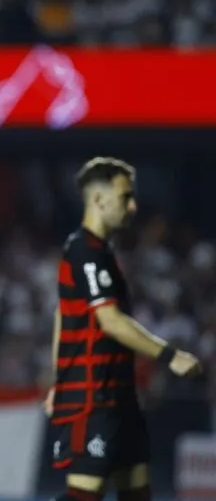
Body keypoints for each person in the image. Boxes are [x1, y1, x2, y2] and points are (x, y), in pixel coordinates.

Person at [45, 157, 203, 501]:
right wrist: (169, 355)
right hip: (93, 397)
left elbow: (63, 314)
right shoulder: (85, 251)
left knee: (137, 492)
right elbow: (110, 320)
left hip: (120, 396)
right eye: (124, 197)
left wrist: (57, 381)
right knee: (85, 493)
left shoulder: (103, 252)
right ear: (98, 199)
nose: (132, 206)